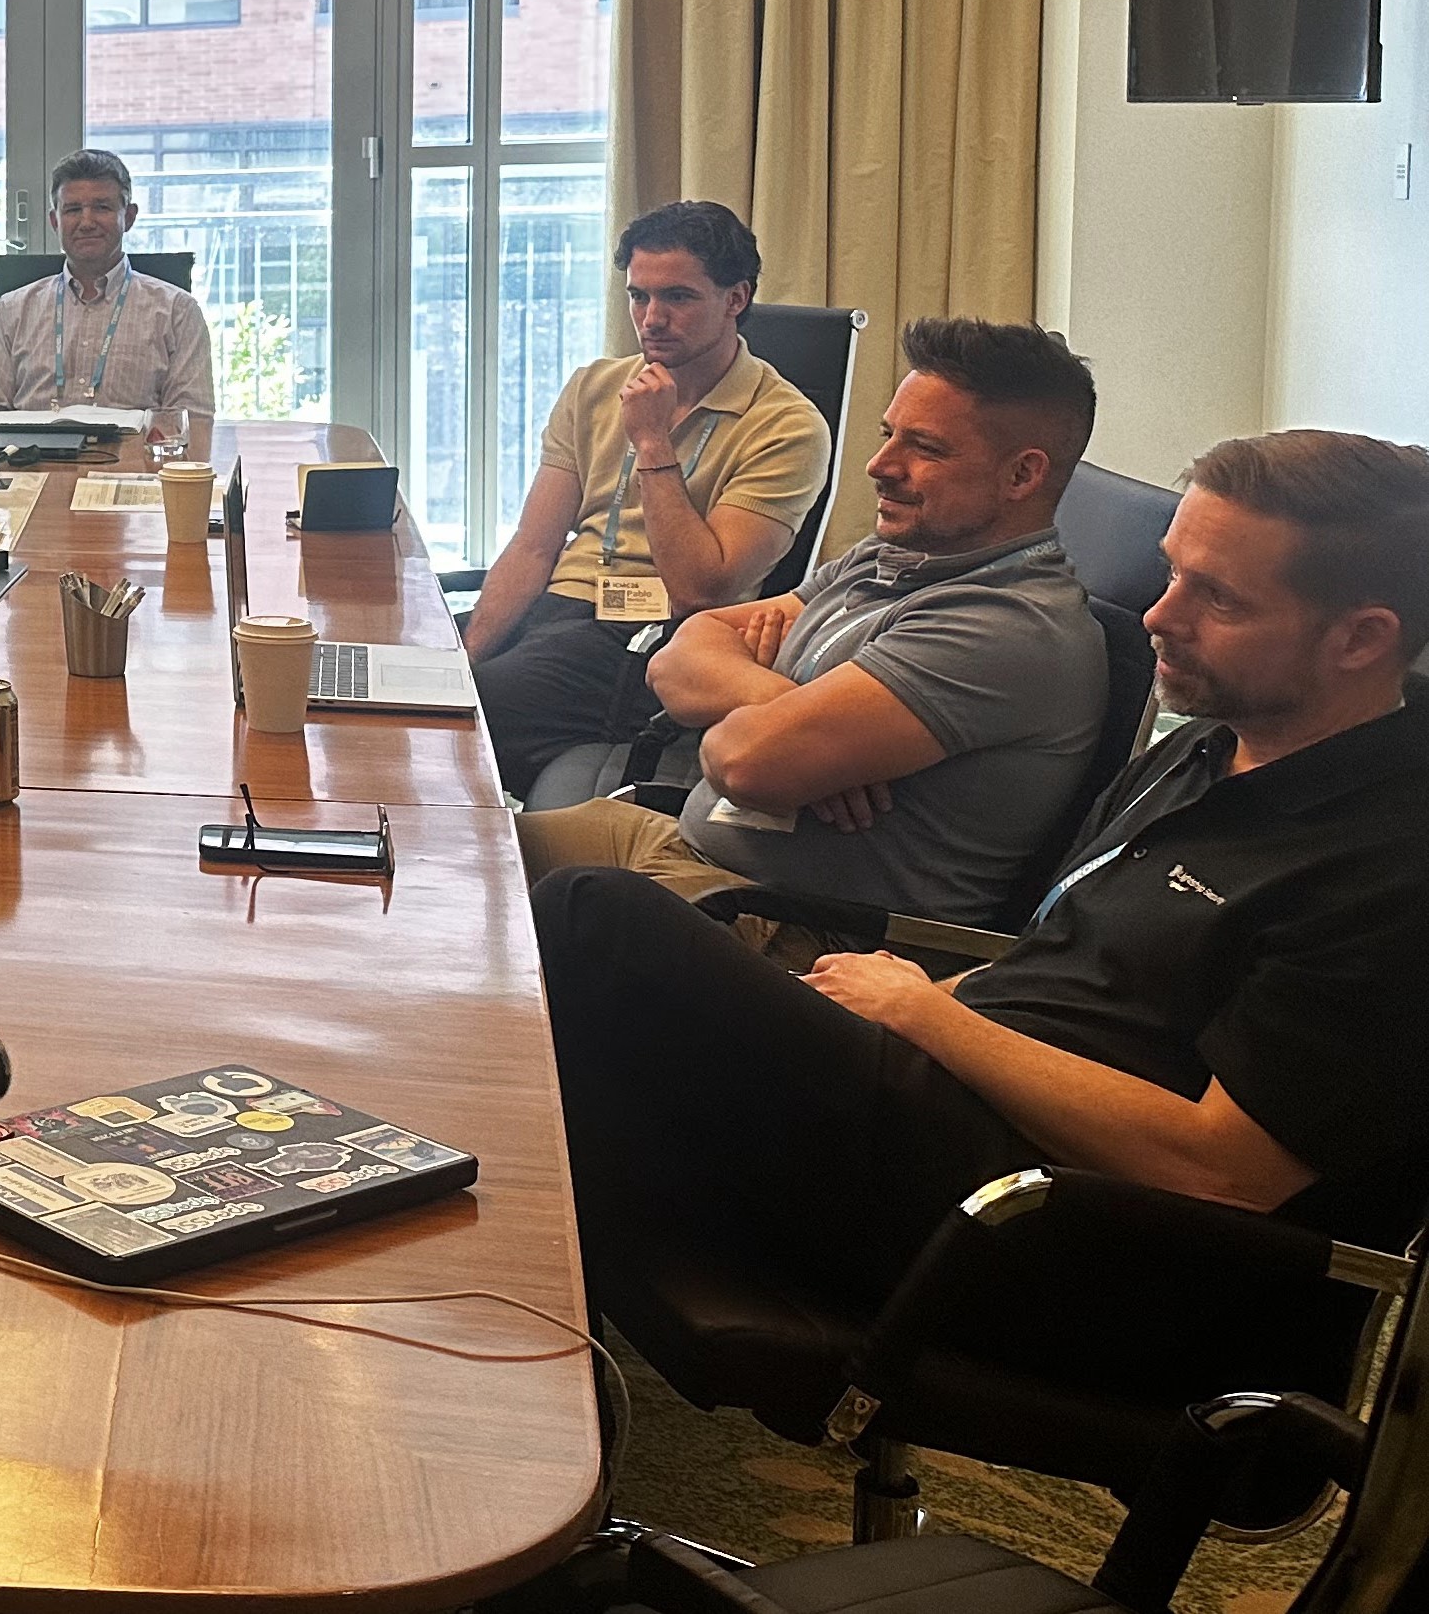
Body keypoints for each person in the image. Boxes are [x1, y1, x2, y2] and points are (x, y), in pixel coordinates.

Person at [538, 430, 1429, 1345]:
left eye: (1219, 598)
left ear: (1361, 639)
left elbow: (1222, 1176)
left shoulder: (1389, 874)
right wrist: (859, 1014)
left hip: (1033, 1220)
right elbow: (1056, 959)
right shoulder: (1212, 746)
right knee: (567, 1080)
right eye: (1171, 574)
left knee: (595, 922)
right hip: (951, 1106)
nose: (1160, 616)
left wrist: (927, 1015)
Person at [517, 318, 1113, 944]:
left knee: (533, 931)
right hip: (694, 851)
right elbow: (680, 656)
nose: (880, 465)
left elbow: (743, 762)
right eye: (888, 436)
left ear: (1023, 475)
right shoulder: (890, 556)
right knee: (455, 851)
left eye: (926, 448)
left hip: (790, 926)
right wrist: (789, 706)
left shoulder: (1006, 625)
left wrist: (767, 717)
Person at [464, 200, 836, 796]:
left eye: (678, 298)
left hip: (651, 636)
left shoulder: (788, 427)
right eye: (639, 297)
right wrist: (467, 654)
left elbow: (699, 589)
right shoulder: (593, 387)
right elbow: (534, 548)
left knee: (456, 725)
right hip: (558, 613)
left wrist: (652, 439)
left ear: (735, 299)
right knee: (413, 682)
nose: (652, 318)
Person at [0, 149, 215, 418]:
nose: (86, 222)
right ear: (55, 221)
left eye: (102, 208)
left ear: (128, 217)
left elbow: (191, 421)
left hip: (135, 460)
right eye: (73, 210)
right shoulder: (13, 310)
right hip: (29, 459)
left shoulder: (177, 311)